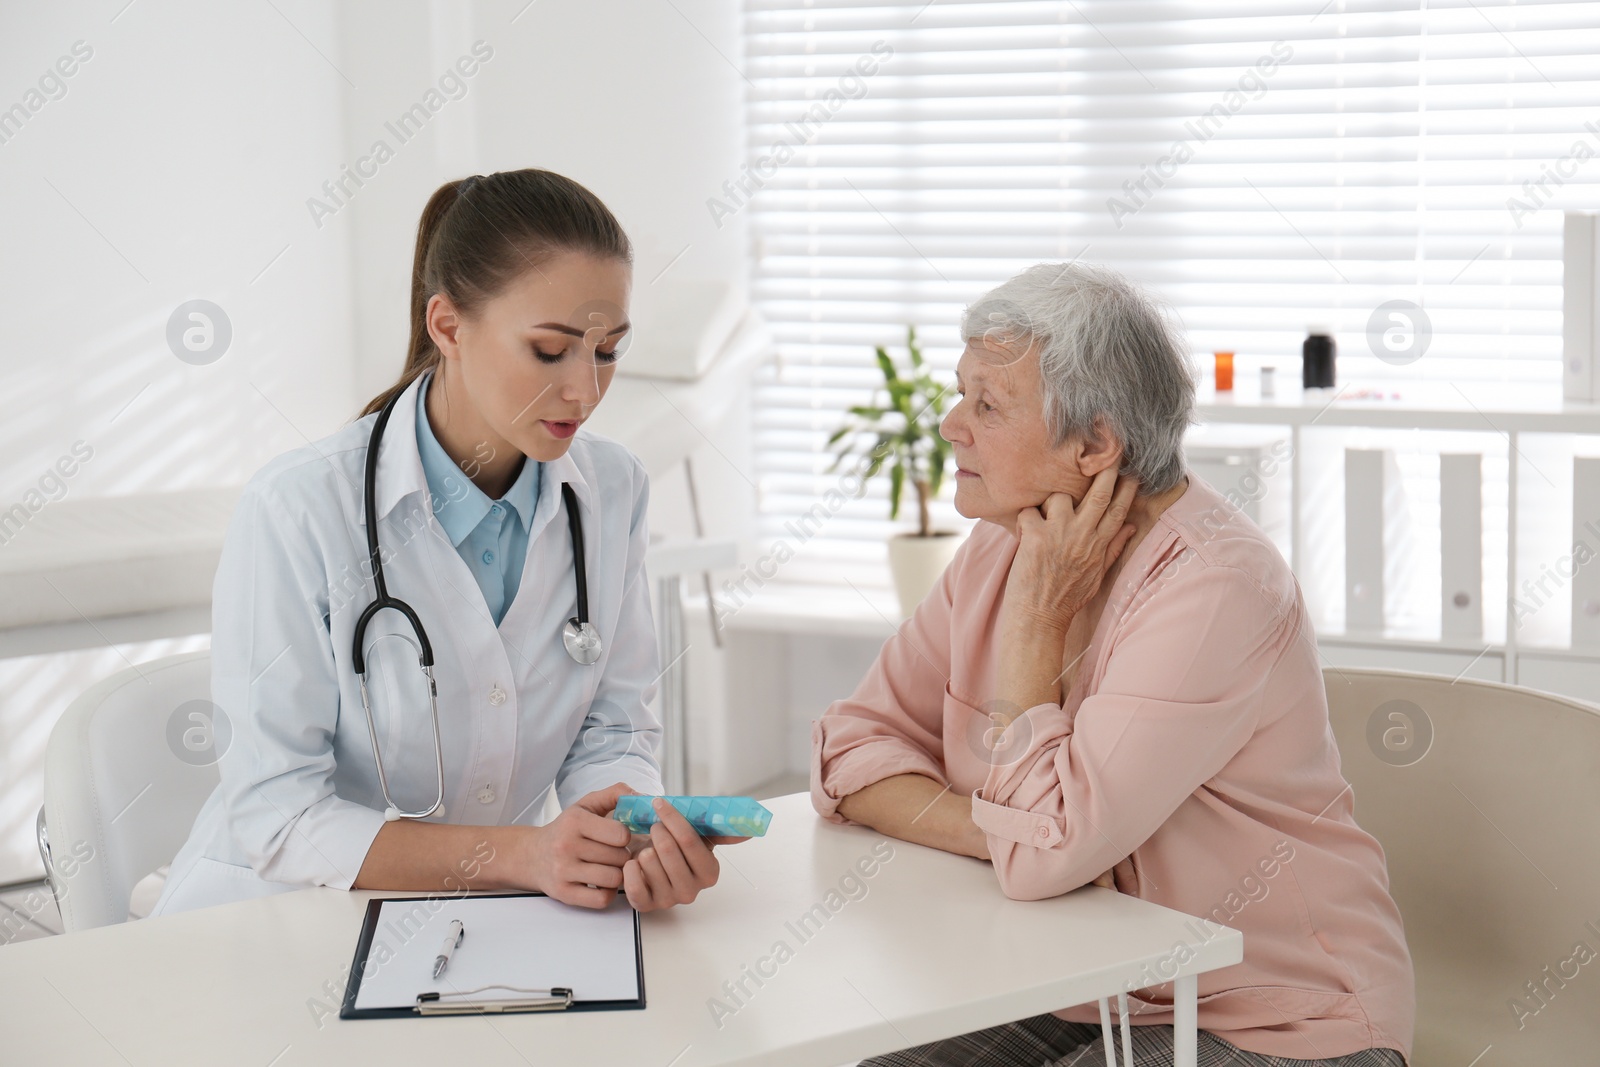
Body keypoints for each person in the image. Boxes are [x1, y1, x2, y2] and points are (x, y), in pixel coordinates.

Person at [811, 263, 1413, 1066]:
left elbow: (1044, 857)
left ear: (1094, 442)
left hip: (1272, 1010)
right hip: (1079, 985)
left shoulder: (1217, 587)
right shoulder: (999, 544)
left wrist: (1034, 626)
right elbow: (848, 748)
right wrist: (989, 832)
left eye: (987, 405)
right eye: (962, 393)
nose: (953, 424)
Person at [154, 169, 741, 917]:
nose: (586, 392)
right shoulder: (298, 509)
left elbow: (614, 727)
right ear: (448, 325)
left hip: (476, 918)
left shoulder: (613, 490)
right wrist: (524, 854)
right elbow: (281, 816)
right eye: (550, 350)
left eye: (608, 351)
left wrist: (628, 830)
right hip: (278, 919)